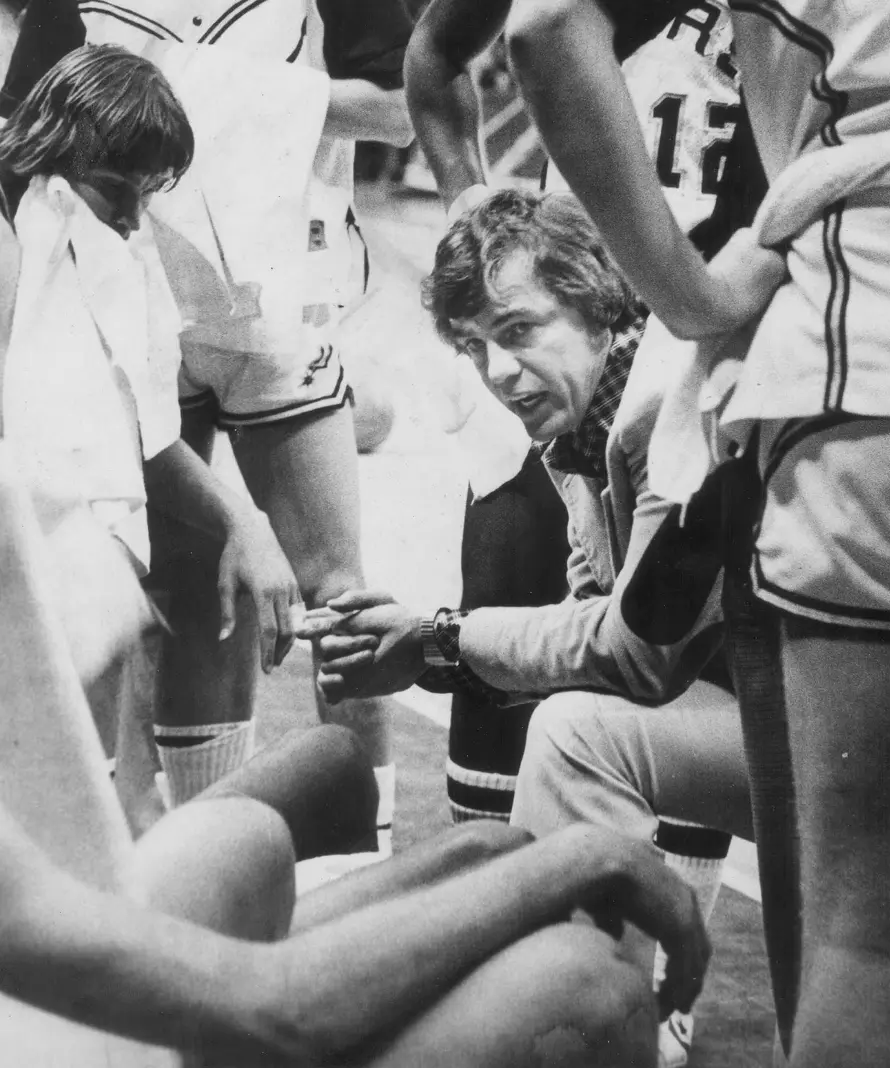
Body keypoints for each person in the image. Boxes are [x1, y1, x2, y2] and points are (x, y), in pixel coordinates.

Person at [499, 1, 890, 1065]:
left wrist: (689, 302)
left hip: (888, 341)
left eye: (513, 335)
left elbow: (542, 23)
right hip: (864, 355)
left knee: (869, 945)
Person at [0, 437, 711, 1068]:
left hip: (57, 973)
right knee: (587, 984)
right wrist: (581, 856)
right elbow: (279, 1012)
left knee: (464, 842)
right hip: (114, 1019)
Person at [303, 187, 755, 1062]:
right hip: (801, 714)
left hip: (880, 733)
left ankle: (589, 1020)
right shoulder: (586, 418)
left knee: (581, 735)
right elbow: (606, 628)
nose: (498, 373)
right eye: (475, 348)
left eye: (518, 330)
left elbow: (637, 657)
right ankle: (598, 1021)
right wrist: (428, 645)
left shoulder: (663, 398)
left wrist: (438, 637)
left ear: (597, 300)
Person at [77, 0, 416, 844]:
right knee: (180, 583)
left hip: (278, 300)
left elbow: (400, 109)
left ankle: (363, 858)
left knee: (339, 595)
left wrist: (216, 92)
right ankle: (197, 858)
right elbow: (28, 114)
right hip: (143, 294)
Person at [0, 43, 317, 821]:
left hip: (84, 564)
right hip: (29, 555)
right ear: (55, 141)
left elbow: (144, 437)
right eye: (118, 191)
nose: (134, 216)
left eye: (147, 198)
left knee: (83, 809)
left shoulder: (119, 250)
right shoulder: (17, 232)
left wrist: (248, 523)